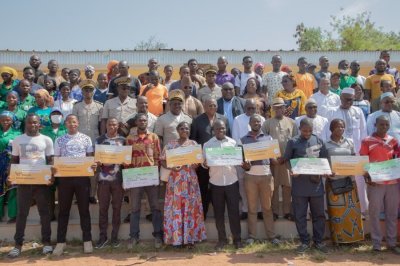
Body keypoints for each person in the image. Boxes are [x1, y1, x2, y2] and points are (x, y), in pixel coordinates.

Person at [7, 114, 54, 258]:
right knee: (22, 214)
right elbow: (14, 161)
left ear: (39, 124)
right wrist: (11, 176)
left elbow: (50, 161)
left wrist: (51, 177)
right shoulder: (17, 140)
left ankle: (46, 243)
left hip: (41, 183)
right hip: (24, 182)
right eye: (29, 123)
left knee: (44, 213)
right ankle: (18, 245)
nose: (32, 125)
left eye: (35, 123)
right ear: (25, 124)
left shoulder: (46, 140)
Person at [53, 115, 96, 256]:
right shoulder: (59, 140)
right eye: (69, 122)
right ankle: (60, 242)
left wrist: (93, 165)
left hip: (82, 179)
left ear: (78, 123)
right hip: (64, 180)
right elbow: (56, 159)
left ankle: (87, 241)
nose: (72, 124)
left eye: (74, 122)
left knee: (84, 210)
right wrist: (55, 168)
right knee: (63, 210)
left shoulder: (86, 139)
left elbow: (90, 158)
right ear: (65, 124)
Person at [284, 118, 328, 254]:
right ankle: (304, 241)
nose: (307, 133)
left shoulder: (319, 141)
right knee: (300, 215)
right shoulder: (293, 142)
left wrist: (326, 170)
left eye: (310, 130)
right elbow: (287, 161)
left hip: (316, 186)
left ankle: (318, 241)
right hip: (299, 186)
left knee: (319, 215)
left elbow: (325, 160)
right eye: (304, 131)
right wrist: (292, 170)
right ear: (300, 129)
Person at [161, 121, 206, 248]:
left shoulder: (194, 145)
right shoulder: (171, 145)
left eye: (187, 128)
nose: (184, 130)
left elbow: (198, 163)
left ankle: (189, 239)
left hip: (190, 181)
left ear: (189, 131)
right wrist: (171, 167)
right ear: (177, 130)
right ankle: (176, 238)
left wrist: (196, 165)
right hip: (175, 181)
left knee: (190, 209)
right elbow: (163, 161)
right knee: (175, 209)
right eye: (182, 128)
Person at [360, 115, 400, 254]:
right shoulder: (367, 141)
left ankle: (391, 243)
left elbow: (397, 160)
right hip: (375, 183)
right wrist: (367, 175)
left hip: (392, 183)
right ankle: (376, 243)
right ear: (375, 125)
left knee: (392, 213)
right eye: (381, 124)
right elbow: (363, 162)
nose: (384, 127)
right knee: (375, 213)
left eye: (386, 125)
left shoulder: (394, 141)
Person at [325, 88, 368, 216]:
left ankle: (361, 209)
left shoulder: (358, 111)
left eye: (351, 99)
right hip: (336, 152)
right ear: (340, 98)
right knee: (336, 181)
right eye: (346, 99)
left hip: (356, 152)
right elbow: (327, 132)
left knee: (358, 182)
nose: (348, 101)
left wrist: (362, 153)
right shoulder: (332, 111)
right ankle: (334, 210)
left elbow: (363, 131)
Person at [240, 114, 281, 245]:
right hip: (250, 176)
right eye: (254, 121)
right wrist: (244, 165)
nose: (256, 123)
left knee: (267, 208)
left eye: (258, 121)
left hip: (266, 176)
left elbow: (274, 161)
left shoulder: (269, 139)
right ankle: (251, 236)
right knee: (252, 208)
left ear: (261, 123)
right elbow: (241, 161)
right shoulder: (243, 140)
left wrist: (278, 159)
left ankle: (272, 236)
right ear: (250, 123)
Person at [203, 120, 242, 250]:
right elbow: (204, 164)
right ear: (213, 130)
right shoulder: (207, 145)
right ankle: (222, 239)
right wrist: (205, 163)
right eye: (218, 129)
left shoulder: (233, 143)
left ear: (226, 129)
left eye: (223, 128)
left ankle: (237, 239)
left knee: (234, 212)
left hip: (232, 181)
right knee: (218, 214)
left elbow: (239, 161)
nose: (221, 131)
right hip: (216, 183)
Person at [126, 113, 163, 249]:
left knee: (155, 207)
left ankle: (158, 236)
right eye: (140, 120)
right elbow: (127, 160)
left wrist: (156, 175)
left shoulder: (154, 137)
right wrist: (128, 179)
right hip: (135, 178)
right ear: (136, 122)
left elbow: (158, 157)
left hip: (151, 176)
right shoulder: (129, 139)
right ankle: (134, 237)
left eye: (144, 120)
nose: (142, 122)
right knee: (135, 208)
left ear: (148, 122)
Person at [324, 119, 364, 244]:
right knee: (337, 211)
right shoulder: (325, 144)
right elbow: (324, 163)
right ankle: (338, 239)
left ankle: (354, 238)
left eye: (342, 127)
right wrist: (328, 172)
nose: (340, 129)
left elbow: (354, 158)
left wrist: (356, 168)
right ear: (331, 129)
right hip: (333, 182)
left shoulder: (350, 142)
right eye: (337, 127)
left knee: (352, 210)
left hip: (349, 180)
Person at [190, 97, 229, 218]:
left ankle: (219, 213)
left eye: (214, 105)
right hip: (204, 162)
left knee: (218, 187)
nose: (212, 107)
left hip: (220, 161)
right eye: (209, 105)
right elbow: (193, 141)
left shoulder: (223, 118)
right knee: (203, 187)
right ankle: (203, 213)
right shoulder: (197, 120)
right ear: (204, 106)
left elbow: (229, 137)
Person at [262, 98, 297, 221]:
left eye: (281, 107)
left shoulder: (292, 123)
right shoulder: (267, 123)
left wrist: (288, 157)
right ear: (272, 109)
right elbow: (264, 142)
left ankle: (287, 211)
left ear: (284, 108)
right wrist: (272, 158)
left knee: (288, 186)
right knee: (274, 187)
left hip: (287, 161)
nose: (278, 109)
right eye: (276, 107)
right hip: (274, 161)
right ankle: (275, 212)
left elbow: (295, 142)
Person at [94, 117, 125, 249]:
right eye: (109, 125)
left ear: (118, 126)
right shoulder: (99, 140)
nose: (112, 127)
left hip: (118, 180)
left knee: (117, 208)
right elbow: (95, 159)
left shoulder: (123, 141)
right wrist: (97, 162)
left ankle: (114, 237)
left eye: (114, 124)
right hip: (103, 180)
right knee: (103, 209)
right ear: (105, 126)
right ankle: (103, 237)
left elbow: (127, 159)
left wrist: (125, 161)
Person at [232, 99, 265, 220]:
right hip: (242, 157)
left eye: (253, 108)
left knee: (260, 184)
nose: (251, 110)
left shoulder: (262, 119)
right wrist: (244, 157)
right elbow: (236, 139)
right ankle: (245, 209)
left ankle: (260, 209)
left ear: (256, 108)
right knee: (242, 184)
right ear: (244, 108)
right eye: (248, 108)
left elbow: (264, 138)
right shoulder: (238, 119)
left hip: (258, 158)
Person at [73, 79, 103, 203]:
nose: (88, 92)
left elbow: (102, 125)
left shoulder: (99, 106)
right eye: (85, 90)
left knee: (94, 169)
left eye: (90, 90)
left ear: (94, 91)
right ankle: (79, 195)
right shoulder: (77, 106)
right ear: (82, 91)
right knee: (79, 168)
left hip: (95, 140)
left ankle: (93, 194)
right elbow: (74, 123)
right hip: (80, 142)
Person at [40, 108, 67, 221]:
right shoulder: (44, 130)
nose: (56, 116)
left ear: (62, 116)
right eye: (54, 114)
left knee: (63, 191)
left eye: (58, 114)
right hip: (48, 164)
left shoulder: (65, 130)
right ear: (50, 117)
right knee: (49, 190)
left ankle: (62, 214)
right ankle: (50, 214)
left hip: (63, 164)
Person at [0, 111, 21, 224]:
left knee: (13, 189)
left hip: (12, 163)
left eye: (8, 119)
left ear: (12, 121)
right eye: (3, 119)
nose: (5, 122)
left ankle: (13, 215)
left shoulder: (17, 134)